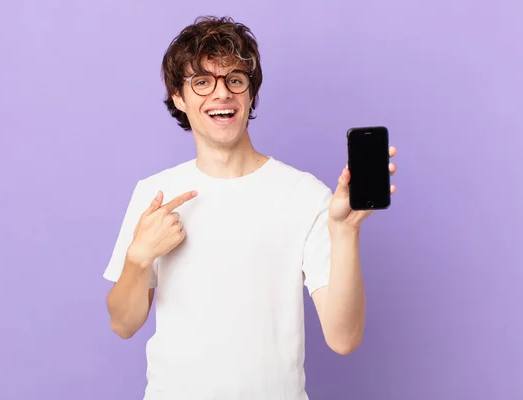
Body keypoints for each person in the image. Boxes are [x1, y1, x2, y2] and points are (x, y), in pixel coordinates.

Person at [103, 15, 397, 400]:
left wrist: (346, 231)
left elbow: (343, 339)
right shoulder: (155, 194)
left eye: (235, 80)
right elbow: (123, 325)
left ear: (250, 95)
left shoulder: (305, 195)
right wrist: (138, 259)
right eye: (202, 82)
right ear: (179, 97)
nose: (221, 94)